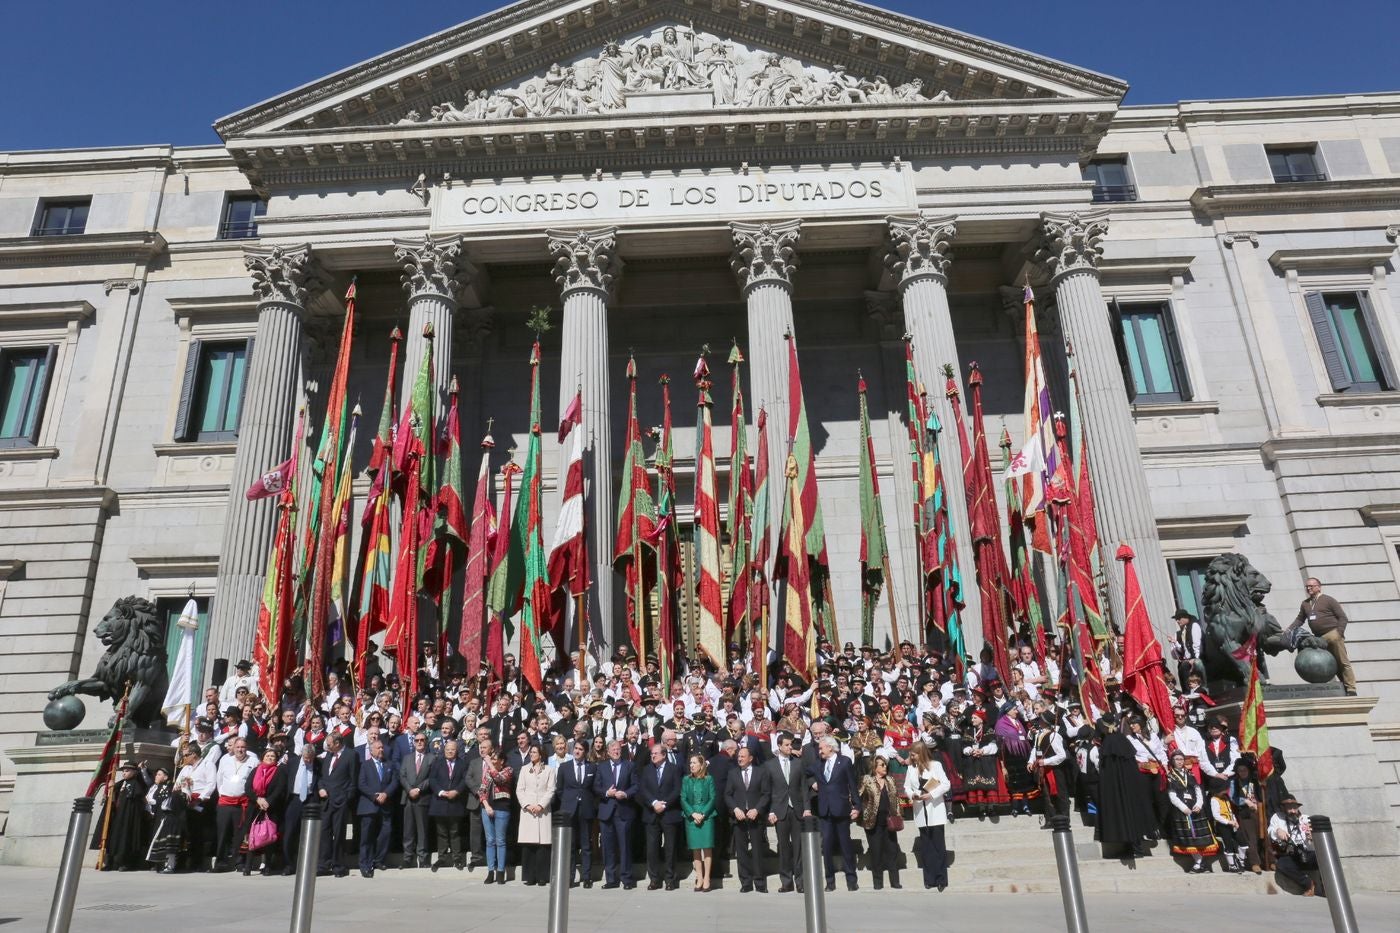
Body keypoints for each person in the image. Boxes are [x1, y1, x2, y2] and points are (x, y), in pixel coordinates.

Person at [1094, 716, 1156, 858]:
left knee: (1125, 813)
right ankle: (1134, 846)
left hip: (1118, 786)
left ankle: (1135, 847)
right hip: (1131, 784)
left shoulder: (1109, 743)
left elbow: (1109, 769)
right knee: (1132, 812)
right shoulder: (1122, 740)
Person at [806, 735, 860, 892]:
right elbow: (804, 771)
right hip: (825, 811)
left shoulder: (844, 762)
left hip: (841, 809)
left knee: (845, 845)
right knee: (827, 847)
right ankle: (830, 881)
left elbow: (852, 784)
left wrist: (856, 806)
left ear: (830, 747)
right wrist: (812, 783)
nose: (819, 750)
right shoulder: (818, 765)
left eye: (821, 748)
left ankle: (851, 880)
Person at [1288, 577, 1356, 695]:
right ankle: (1340, 687)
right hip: (1319, 637)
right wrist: (1288, 630)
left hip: (1333, 634)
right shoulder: (1305, 604)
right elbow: (1299, 620)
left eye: (1311, 586)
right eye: (1307, 586)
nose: (1309, 588)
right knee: (1329, 663)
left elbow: (1343, 617)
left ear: (1319, 587)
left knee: (1342, 661)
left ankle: (1351, 688)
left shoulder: (1328, 600)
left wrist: (1339, 633)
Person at [903, 741, 950, 891]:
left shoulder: (935, 765)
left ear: (921, 753)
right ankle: (929, 879)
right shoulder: (911, 768)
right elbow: (907, 787)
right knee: (926, 847)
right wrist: (914, 795)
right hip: (920, 811)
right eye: (911, 754)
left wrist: (931, 795)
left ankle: (941, 878)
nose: (912, 757)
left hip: (935, 809)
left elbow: (945, 784)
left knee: (938, 845)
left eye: (915, 754)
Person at [724, 745, 770, 893]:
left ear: (750, 758)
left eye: (743, 756)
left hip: (755, 816)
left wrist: (757, 809)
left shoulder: (761, 772)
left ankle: (760, 882)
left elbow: (766, 794)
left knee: (757, 850)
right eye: (738, 756)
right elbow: (727, 794)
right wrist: (735, 809)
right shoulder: (733, 773)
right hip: (739, 817)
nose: (739, 758)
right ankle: (745, 882)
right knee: (741, 851)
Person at [638, 742, 684, 890]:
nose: (652, 756)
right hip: (651, 814)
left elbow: (677, 789)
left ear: (664, 755)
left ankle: (670, 879)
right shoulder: (646, 770)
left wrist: (665, 804)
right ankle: (654, 879)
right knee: (652, 849)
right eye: (651, 754)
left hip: (669, 813)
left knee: (670, 848)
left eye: (655, 753)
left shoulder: (674, 769)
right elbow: (643, 789)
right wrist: (654, 802)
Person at [764, 732, 806, 893]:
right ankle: (786, 881)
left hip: (796, 809)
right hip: (779, 810)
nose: (790, 748)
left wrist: (806, 808)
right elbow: (767, 791)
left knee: (798, 847)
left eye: (791, 745)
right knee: (783, 847)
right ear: (779, 746)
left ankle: (800, 881)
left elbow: (803, 787)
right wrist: (770, 811)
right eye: (787, 745)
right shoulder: (770, 765)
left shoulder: (798, 763)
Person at [1166, 749, 1219, 873]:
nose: (1180, 762)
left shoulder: (1189, 774)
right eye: (1177, 759)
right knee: (1191, 838)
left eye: (1181, 759)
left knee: (1200, 837)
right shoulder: (1170, 776)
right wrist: (1183, 808)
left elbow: (1197, 789)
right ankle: (1199, 863)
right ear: (1172, 761)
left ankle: (1200, 863)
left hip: (1195, 808)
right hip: (1183, 811)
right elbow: (1172, 795)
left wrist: (1199, 804)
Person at [595, 740, 639, 889]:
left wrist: (625, 794)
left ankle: (627, 879)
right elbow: (596, 786)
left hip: (623, 811)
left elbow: (635, 786)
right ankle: (611, 879)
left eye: (618, 749)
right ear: (607, 752)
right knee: (608, 847)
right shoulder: (601, 767)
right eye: (613, 749)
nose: (616, 751)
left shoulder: (629, 765)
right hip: (606, 812)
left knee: (625, 846)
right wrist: (607, 793)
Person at [556, 739, 598, 887]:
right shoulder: (564, 767)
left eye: (581, 749)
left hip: (586, 810)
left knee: (586, 845)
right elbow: (560, 789)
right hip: (569, 810)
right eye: (576, 748)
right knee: (570, 845)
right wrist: (569, 801)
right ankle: (570, 877)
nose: (577, 751)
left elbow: (594, 789)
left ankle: (587, 877)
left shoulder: (592, 767)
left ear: (585, 752)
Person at [857, 755, 902, 890]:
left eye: (885, 764)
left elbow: (896, 799)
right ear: (874, 767)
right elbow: (856, 796)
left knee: (892, 851)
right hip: (873, 822)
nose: (885, 767)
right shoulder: (867, 780)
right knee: (876, 852)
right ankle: (878, 882)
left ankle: (895, 882)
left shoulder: (890, 780)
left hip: (889, 821)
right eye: (881, 765)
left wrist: (898, 815)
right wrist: (859, 810)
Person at [355, 738, 398, 878]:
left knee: (385, 833)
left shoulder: (389, 764)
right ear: (371, 750)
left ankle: (378, 860)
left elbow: (394, 781)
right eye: (378, 748)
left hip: (385, 805)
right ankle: (365, 864)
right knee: (367, 837)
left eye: (382, 748)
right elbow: (361, 784)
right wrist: (374, 796)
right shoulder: (365, 765)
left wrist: (386, 793)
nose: (381, 750)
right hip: (369, 805)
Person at [515, 743, 557, 886]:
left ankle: (542, 877)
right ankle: (529, 876)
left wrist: (540, 805)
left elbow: (551, 790)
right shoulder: (524, 769)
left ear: (540, 754)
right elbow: (519, 790)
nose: (531, 754)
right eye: (530, 752)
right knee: (529, 846)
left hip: (543, 812)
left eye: (534, 752)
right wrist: (527, 805)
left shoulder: (549, 770)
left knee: (542, 846)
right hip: (528, 812)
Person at [317, 732, 357, 877]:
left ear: (338, 744)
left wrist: (347, 798)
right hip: (326, 801)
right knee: (324, 833)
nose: (327, 747)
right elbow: (323, 777)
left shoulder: (351, 755)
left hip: (341, 801)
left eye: (329, 744)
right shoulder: (328, 755)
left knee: (339, 834)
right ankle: (323, 864)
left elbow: (353, 779)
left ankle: (338, 865)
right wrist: (321, 788)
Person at [213, 738, 256, 872]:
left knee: (239, 834)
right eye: (237, 747)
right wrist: (223, 793)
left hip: (242, 803)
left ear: (246, 748)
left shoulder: (253, 761)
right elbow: (219, 779)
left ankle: (239, 862)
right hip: (225, 802)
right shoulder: (225, 760)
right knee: (222, 833)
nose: (240, 750)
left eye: (243, 747)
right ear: (233, 748)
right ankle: (221, 863)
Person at [241, 748, 286, 876]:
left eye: (273, 756)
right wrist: (257, 799)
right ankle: (248, 866)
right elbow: (248, 787)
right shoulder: (256, 770)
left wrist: (267, 801)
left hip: (270, 808)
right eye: (268, 756)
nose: (270, 758)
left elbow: (279, 789)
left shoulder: (279, 772)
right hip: (254, 807)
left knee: (269, 837)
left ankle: (267, 866)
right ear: (263, 758)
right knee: (251, 836)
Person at [99, 761, 149, 871]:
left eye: (127, 771)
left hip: (128, 817)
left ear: (135, 772)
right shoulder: (120, 784)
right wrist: (111, 790)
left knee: (126, 839)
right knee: (114, 839)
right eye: (123, 771)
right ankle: (110, 862)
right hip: (117, 816)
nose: (124, 773)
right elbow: (113, 799)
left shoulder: (136, 784)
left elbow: (137, 798)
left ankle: (125, 863)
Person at [428, 739, 469, 871]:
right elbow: (432, 779)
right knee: (441, 832)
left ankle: (457, 858)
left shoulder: (462, 764)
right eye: (447, 749)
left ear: (456, 751)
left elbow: (465, 779)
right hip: (440, 802)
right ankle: (442, 857)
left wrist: (456, 791)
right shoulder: (437, 763)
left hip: (455, 802)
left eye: (452, 749)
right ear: (444, 751)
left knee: (455, 831)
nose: (450, 751)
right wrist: (441, 792)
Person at [1268, 795, 1321, 895]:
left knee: (1324, 858)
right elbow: (1270, 831)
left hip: (1307, 853)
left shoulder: (1305, 819)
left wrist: (1313, 838)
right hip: (1291, 855)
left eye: (1294, 807)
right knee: (1282, 864)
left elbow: (1316, 841)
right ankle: (1308, 884)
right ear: (1283, 808)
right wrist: (1277, 831)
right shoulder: (1277, 818)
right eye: (1289, 808)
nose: (1292, 811)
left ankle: (1327, 887)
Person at [399, 731, 435, 869]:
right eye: (417, 740)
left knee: (422, 830)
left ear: (426, 742)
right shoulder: (407, 758)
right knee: (408, 830)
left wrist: (418, 789)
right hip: (408, 798)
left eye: (422, 740)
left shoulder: (432, 758)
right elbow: (402, 776)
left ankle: (423, 858)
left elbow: (432, 778)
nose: (419, 742)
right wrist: (410, 790)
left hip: (423, 798)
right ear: (413, 742)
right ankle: (407, 858)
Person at [281, 744, 318, 875]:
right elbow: (283, 779)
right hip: (294, 800)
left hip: (310, 800)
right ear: (302, 755)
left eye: (311, 758)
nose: (308, 761)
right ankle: (289, 865)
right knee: (289, 833)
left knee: (308, 834)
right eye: (306, 758)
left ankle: (306, 865)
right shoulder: (292, 762)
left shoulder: (317, 763)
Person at [1207, 778, 1259, 874]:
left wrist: (1234, 821)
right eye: (1223, 789)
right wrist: (1228, 822)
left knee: (1243, 843)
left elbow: (1230, 811)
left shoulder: (1226, 798)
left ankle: (1241, 861)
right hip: (1223, 825)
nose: (1225, 791)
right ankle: (1231, 865)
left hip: (1233, 823)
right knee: (1228, 845)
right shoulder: (1214, 800)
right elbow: (1216, 816)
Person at [681, 753, 716, 891]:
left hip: (706, 817)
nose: (691, 765)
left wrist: (703, 813)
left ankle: (707, 877)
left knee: (707, 848)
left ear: (701, 765)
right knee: (695, 849)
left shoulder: (709, 779)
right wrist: (692, 813)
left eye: (694, 763)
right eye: (690, 763)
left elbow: (713, 798)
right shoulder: (686, 779)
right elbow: (683, 798)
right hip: (691, 817)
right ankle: (699, 877)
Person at [479, 749, 514, 884]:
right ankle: (490, 871)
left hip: (502, 809)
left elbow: (499, 780)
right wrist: (486, 806)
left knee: (500, 841)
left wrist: (490, 764)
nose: (492, 761)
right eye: (491, 759)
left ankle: (500, 871)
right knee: (490, 841)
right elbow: (481, 790)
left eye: (495, 759)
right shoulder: (488, 772)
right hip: (487, 808)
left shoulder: (508, 770)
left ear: (502, 761)